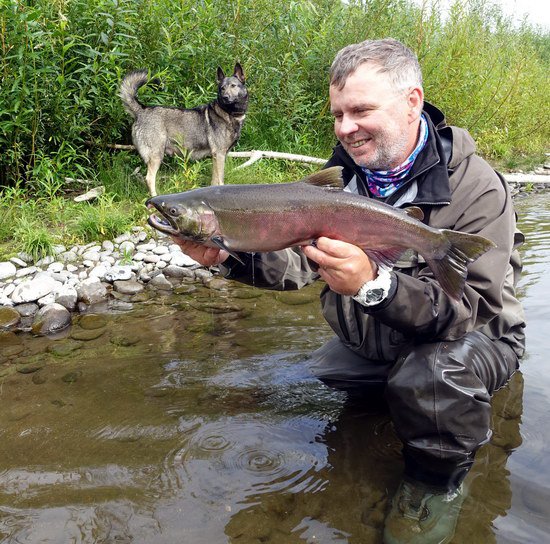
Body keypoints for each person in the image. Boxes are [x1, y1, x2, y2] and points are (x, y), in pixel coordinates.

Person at [172, 38, 526, 544]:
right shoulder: (345, 177)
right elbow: (296, 267)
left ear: (413, 101)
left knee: (433, 376)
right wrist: (230, 255)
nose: (344, 128)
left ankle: (438, 487)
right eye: (337, 113)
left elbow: (465, 312)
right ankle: (400, 401)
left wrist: (373, 283)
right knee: (331, 370)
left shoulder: (476, 187)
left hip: (477, 336)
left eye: (360, 110)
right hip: (379, 335)